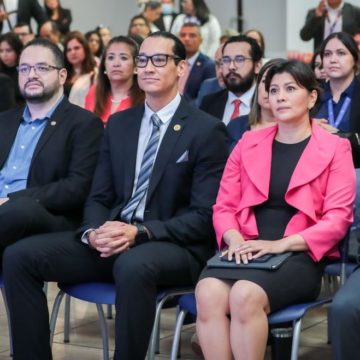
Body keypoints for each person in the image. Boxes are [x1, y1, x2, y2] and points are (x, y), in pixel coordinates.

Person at [2, 30, 229, 360]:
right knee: (20, 256)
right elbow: (98, 195)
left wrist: (139, 232)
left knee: (133, 265)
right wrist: (93, 231)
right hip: (112, 237)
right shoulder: (121, 123)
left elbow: (204, 216)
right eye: (142, 60)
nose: (148, 67)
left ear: (181, 68)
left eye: (159, 60)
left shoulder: (205, 129)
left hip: (170, 244)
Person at [195, 59, 355, 360]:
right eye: (273, 90)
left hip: (298, 253)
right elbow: (224, 206)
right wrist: (234, 239)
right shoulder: (248, 142)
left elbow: (338, 219)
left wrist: (280, 244)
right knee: (207, 293)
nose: (279, 96)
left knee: (244, 294)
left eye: (290, 89)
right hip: (244, 247)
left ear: (311, 97)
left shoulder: (336, 148)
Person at [0, 38, 103, 253]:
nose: (32, 75)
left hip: (46, 214)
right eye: (25, 68)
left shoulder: (84, 123)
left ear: (62, 75)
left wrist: (9, 200)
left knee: (21, 210)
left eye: (42, 68)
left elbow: (76, 187)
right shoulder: (4, 120)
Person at [312, 31, 360, 167]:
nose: (333, 59)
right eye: (327, 54)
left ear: (355, 58)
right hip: (317, 174)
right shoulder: (311, 95)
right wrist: (306, 126)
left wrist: (338, 135)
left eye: (341, 53)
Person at [200, 35, 262, 125]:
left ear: (257, 66)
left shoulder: (266, 105)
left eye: (239, 60)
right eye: (226, 60)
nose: (231, 67)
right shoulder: (209, 103)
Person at [85, 36, 144, 124]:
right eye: (111, 58)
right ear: (104, 65)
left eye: (123, 58)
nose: (116, 64)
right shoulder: (94, 92)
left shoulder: (146, 98)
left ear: (136, 67)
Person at [227, 58, 280, 150]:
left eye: (277, 83)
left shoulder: (295, 131)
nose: (269, 88)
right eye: (264, 81)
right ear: (257, 86)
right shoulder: (235, 125)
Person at [178, 22, 215, 104]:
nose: (186, 39)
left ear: (201, 40)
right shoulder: (173, 62)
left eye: (192, 35)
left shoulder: (208, 65)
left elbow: (206, 99)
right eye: (183, 35)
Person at [63, 30, 97, 108]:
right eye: (69, 50)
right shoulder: (63, 74)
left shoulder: (94, 74)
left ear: (85, 49)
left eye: (76, 48)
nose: (73, 52)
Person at [0, 31, 23, 104]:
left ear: (17, 51)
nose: (4, 55)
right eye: (1, 51)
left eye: (8, 50)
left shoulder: (25, 71)